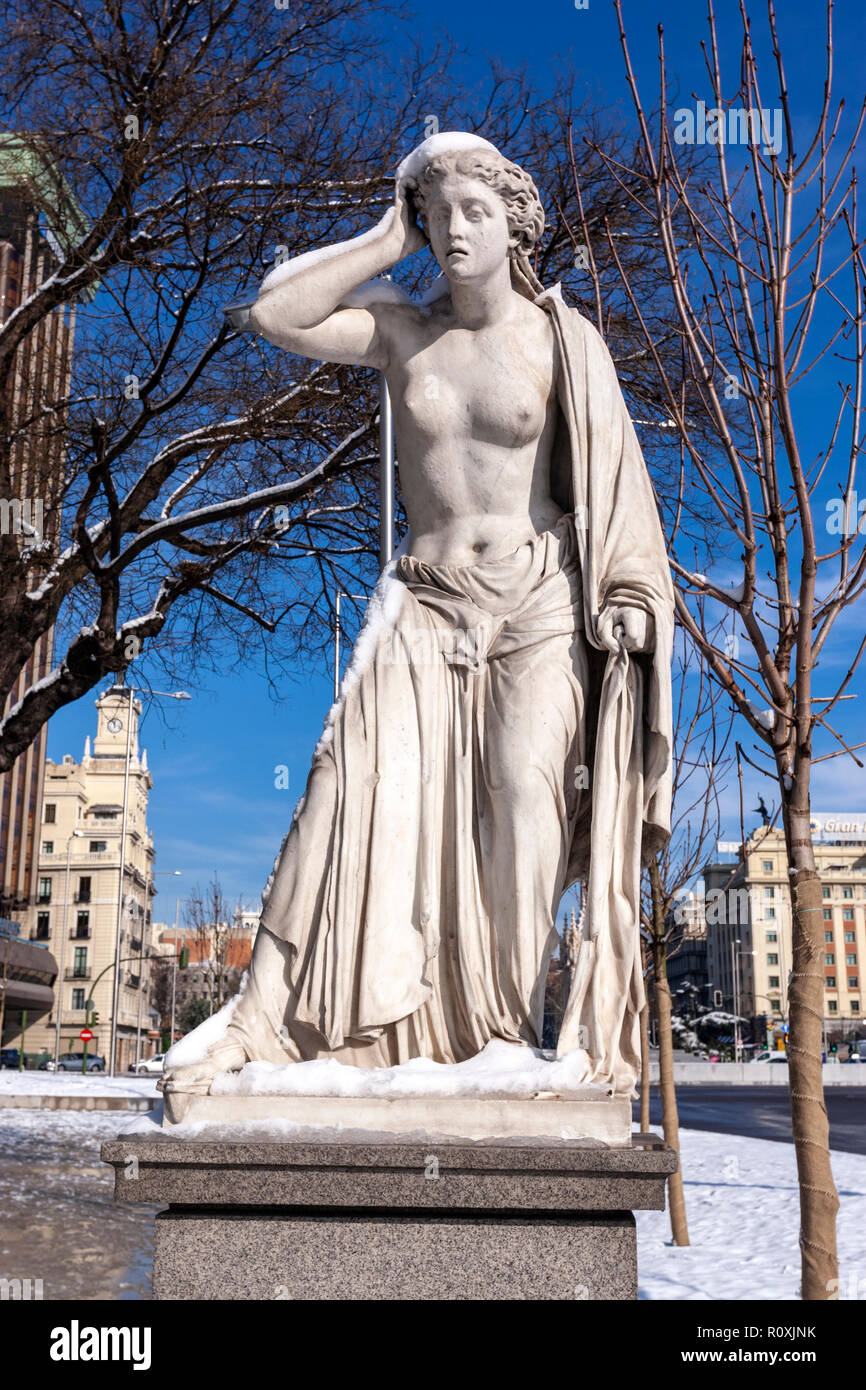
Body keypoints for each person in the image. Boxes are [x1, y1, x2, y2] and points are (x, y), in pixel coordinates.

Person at [163, 132, 673, 1099]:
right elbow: (270, 312)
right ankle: (271, 1011)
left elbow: (617, 490)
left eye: (474, 212)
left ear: (513, 221)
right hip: (425, 603)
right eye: (438, 218)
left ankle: (500, 1033)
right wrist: (381, 238)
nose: (456, 232)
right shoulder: (401, 327)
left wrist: (631, 597)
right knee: (346, 788)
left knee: (524, 797)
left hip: (538, 597)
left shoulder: (563, 340)